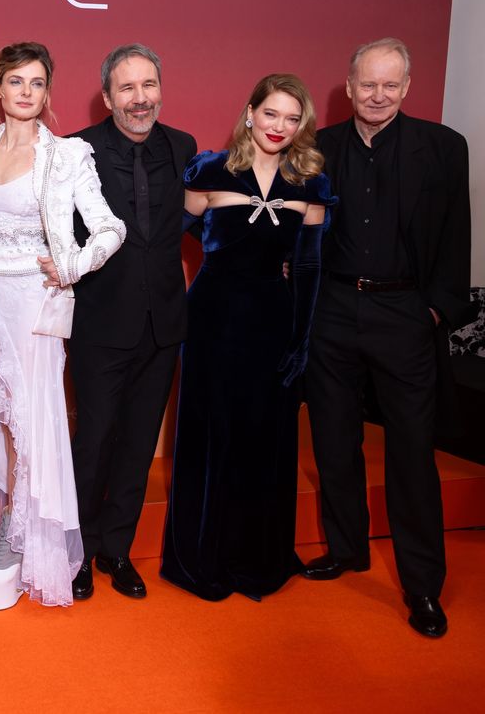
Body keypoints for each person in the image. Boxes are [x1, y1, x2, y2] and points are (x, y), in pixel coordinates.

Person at [303, 38, 471, 638]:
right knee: (333, 440)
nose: (378, 95)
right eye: (367, 84)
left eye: (390, 85)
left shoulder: (445, 149)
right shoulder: (319, 148)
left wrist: (432, 312)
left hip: (405, 311)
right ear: (347, 87)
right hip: (334, 310)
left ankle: (422, 586)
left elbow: (456, 236)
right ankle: (347, 549)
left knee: (410, 453)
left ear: (407, 87)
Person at [0, 42, 125, 610]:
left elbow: (109, 229)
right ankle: (1, 530)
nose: (26, 92)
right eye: (16, 82)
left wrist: (70, 264)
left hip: (34, 302)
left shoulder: (67, 155)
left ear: (48, 93)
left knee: (30, 424)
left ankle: (19, 541)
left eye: (37, 83)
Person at [161, 74, 333, 601]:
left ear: (300, 124)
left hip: (273, 322)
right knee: (211, 435)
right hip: (213, 318)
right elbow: (176, 229)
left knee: (264, 439)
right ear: (251, 112)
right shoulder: (210, 169)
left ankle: (256, 558)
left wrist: (300, 340)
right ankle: (202, 558)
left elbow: (309, 268)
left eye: (291, 117)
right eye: (271, 114)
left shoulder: (311, 183)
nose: (279, 126)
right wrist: (220, 248)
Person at [64, 44, 197, 601]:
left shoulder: (184, 147)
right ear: (107, 97)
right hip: (100, 324)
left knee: (140, 445)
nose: (140, 99)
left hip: (164, 323)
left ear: (160, 88)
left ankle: (116, 550)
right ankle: (77, 553)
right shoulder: (76, 151)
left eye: (148, 86)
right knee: (91, 443)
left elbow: (201, 219)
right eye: (127, 88)